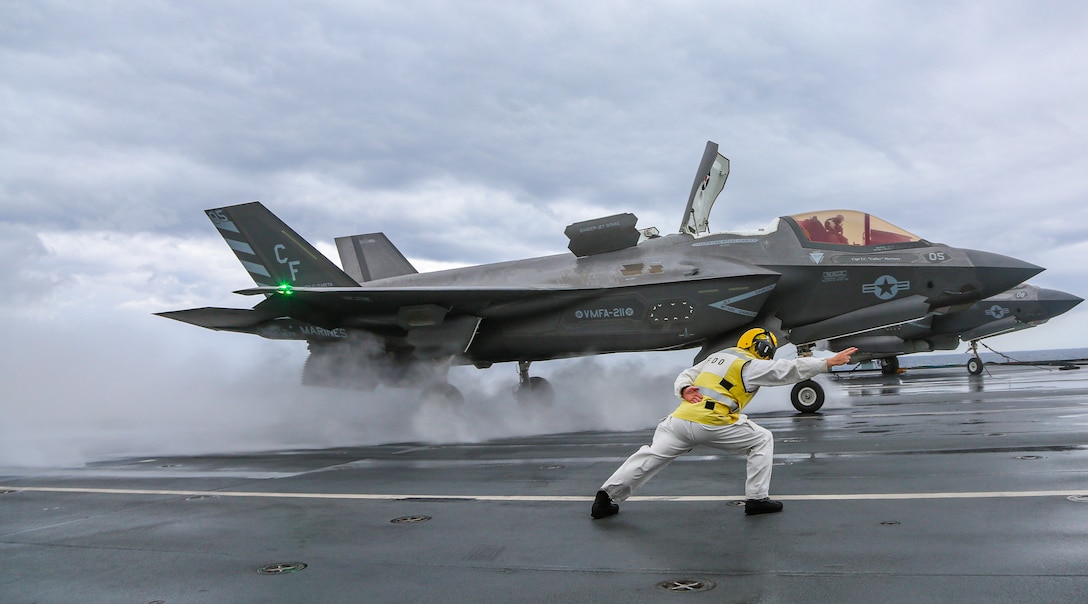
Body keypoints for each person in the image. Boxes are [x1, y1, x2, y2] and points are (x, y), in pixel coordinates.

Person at [591, 328, 857, 518]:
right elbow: (785, 370)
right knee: (762, 439)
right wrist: (827, 363)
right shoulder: (749, 364)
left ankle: (605, 497)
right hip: (714, 422)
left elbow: (686, 373)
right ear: (762, 346)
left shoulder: (720, 356)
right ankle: (756, 499)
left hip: (681, 420)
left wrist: (684, 389)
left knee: (649, 457)